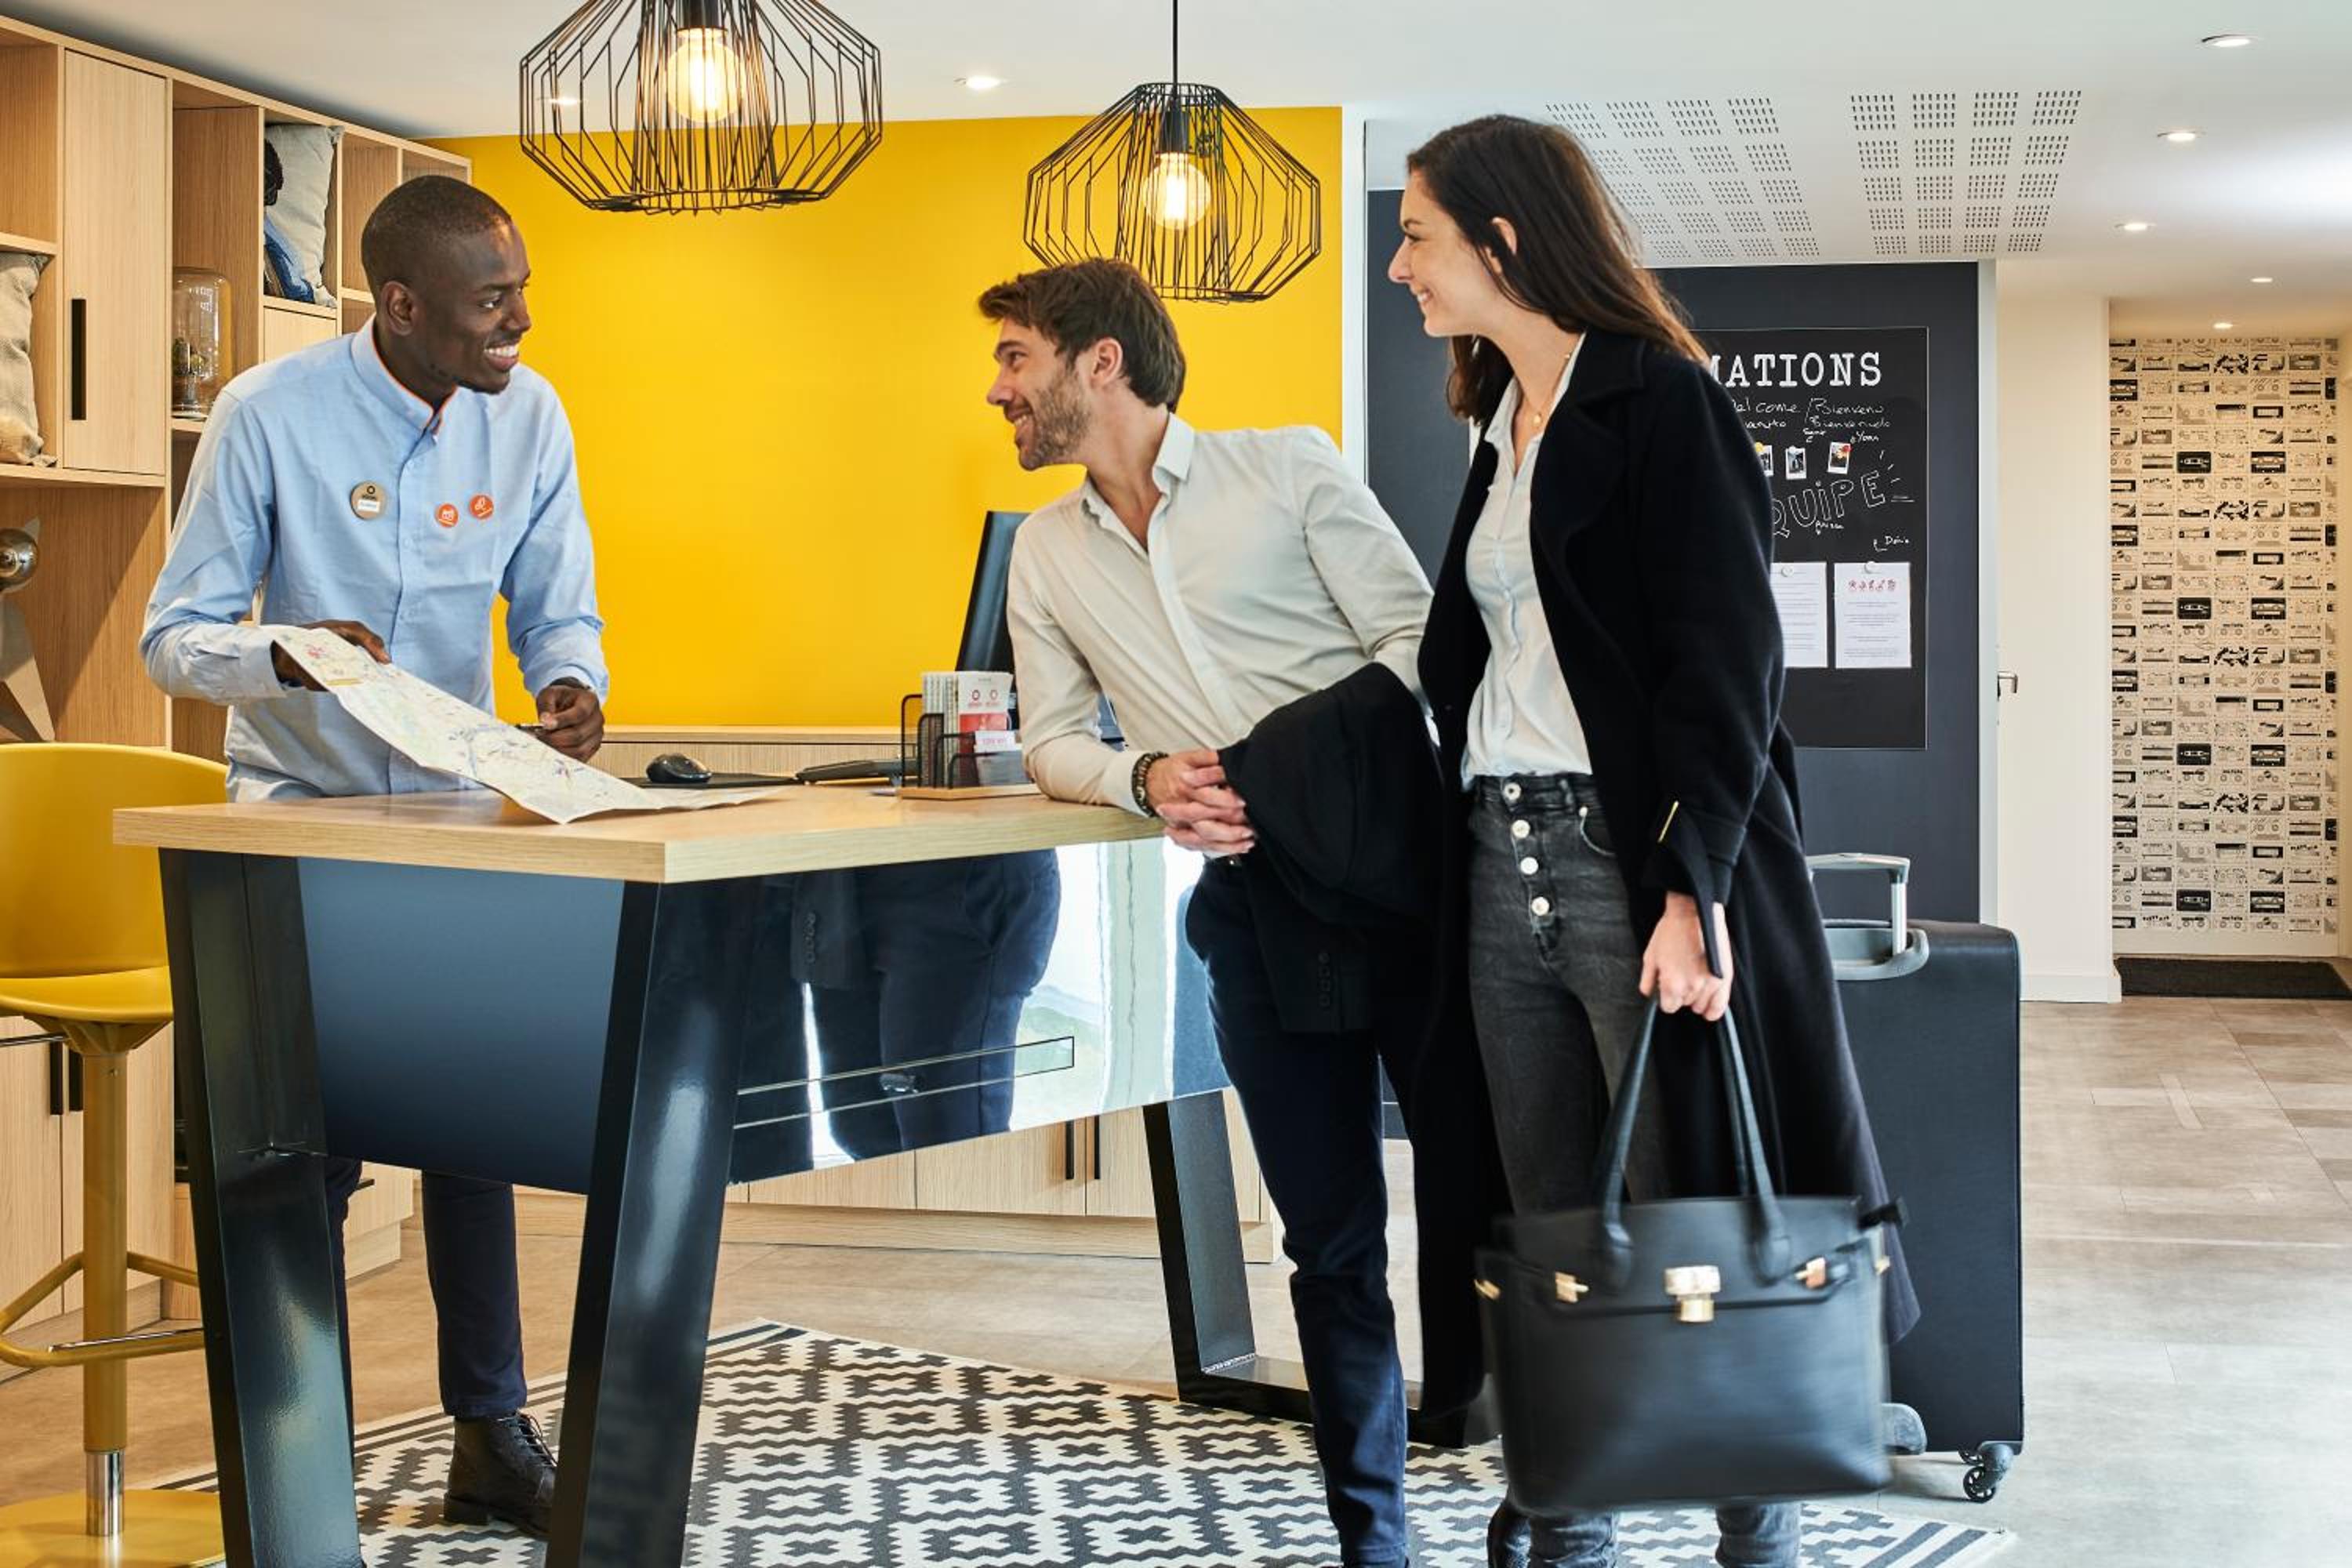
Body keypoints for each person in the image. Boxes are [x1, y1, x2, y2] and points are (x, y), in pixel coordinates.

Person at [1389, 114, 1918, 1568]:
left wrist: (1691, 886)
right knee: (1555, 1220)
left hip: (1626, 863)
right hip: (1499, 857)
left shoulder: (1662, 398)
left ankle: (1760, 1527)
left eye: (1419, 236)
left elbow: (1729, 663)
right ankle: (1573, 1522)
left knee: (1693, 1206)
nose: (1402, 266)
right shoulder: (1502, 423)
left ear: (1504, 239)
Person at [982, 258, 1482, 1568]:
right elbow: (1051, 739)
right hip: (1256, 917)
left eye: (1016, 357)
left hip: (1402, 888)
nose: (998, 390)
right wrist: (1146, 778)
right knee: (1329, 1241)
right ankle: (1374, 1538)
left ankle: (1532, 1498)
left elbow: (1417, 648)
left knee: (1476, 1203)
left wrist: (1283, 765)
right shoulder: (1044, 550)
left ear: (1100, 363)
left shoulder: (1286, 467)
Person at [141, 175, 607, 1538]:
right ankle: (299, 1465)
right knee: (309, 1154)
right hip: (304, 820)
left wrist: (573, 681)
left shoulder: (530, 415)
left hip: (461, 817)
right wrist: (286, 653)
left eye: (521, 291)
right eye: (493, 300)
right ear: (400, 305)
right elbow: (173, 638)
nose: (521, 320)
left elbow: (557, 604)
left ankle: (491, 1440)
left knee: (477, 1135)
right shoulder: (267, 415)